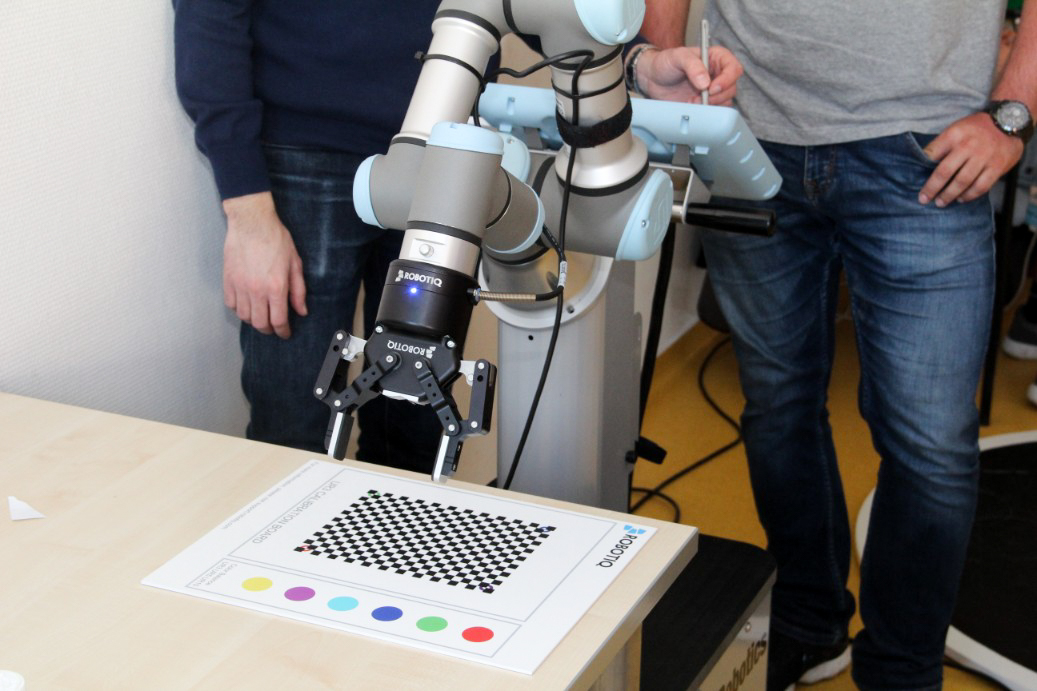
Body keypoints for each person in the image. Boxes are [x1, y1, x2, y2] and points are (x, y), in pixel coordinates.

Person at [639, 1, 1036, 689]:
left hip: (925, 143)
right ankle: (806, 620)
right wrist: (657, 70)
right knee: (776, 406)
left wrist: (1012, 114)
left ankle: (901, 672)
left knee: (931, 445)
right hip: (745, 129)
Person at [171, 1, 740, 474]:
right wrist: (248, 211)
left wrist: (638, 62)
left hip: (448, 154)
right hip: (305, 158)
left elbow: (534, 6)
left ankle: (394, 569)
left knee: (419, 423)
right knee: (294, 431)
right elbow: (209, 16)